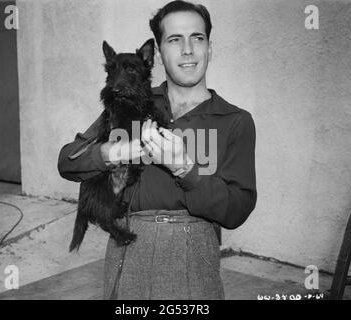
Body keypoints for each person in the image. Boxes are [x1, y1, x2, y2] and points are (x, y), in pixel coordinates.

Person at [57, 0, 256, 300]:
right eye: (175, 40)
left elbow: (238, 209)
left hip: (194, 263)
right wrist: (116, 152)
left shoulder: (235, 121)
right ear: (160, 54)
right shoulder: (127, 100)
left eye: (197, 38)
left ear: (210, 49)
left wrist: (186, 169)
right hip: (127, 255)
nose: (187, 50)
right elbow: (67, 162)